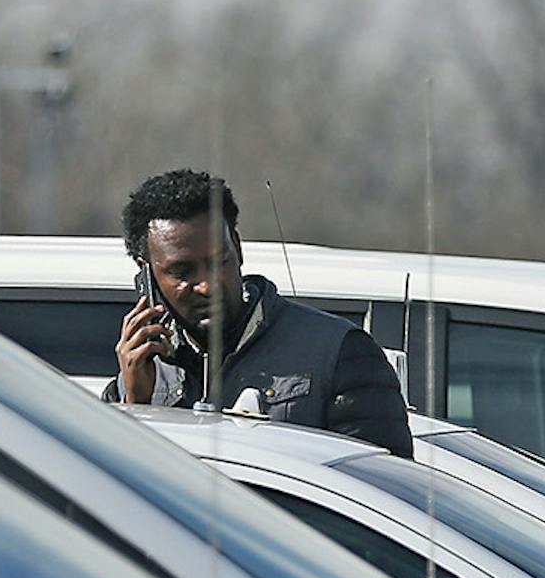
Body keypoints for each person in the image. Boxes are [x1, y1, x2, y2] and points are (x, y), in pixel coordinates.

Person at [105, 168, 412, 457]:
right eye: (182, 271)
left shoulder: (340, 352)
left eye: (218, 261)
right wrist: (135, 406)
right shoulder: (140, 373)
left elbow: (384, 492)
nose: (207, 286)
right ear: (147, 277)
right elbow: (109, 495)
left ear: (237, 249)